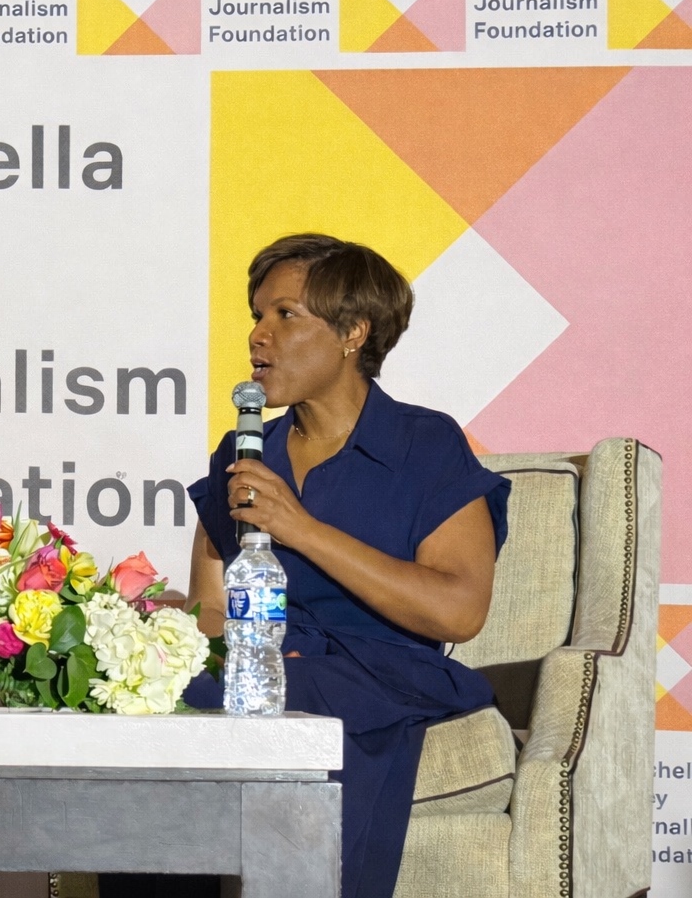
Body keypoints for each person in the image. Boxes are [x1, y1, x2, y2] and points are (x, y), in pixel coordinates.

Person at [159, 233, 509, 898]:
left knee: (298, 703)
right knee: (159, 703)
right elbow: (211, 611)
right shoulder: (243, 450)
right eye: (257, 316)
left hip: (375, 676)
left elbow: (460, 610)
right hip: (257, 669)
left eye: (285, 315)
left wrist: (302, 529)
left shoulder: (424, 442)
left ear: (353, 332)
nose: (258, 335)